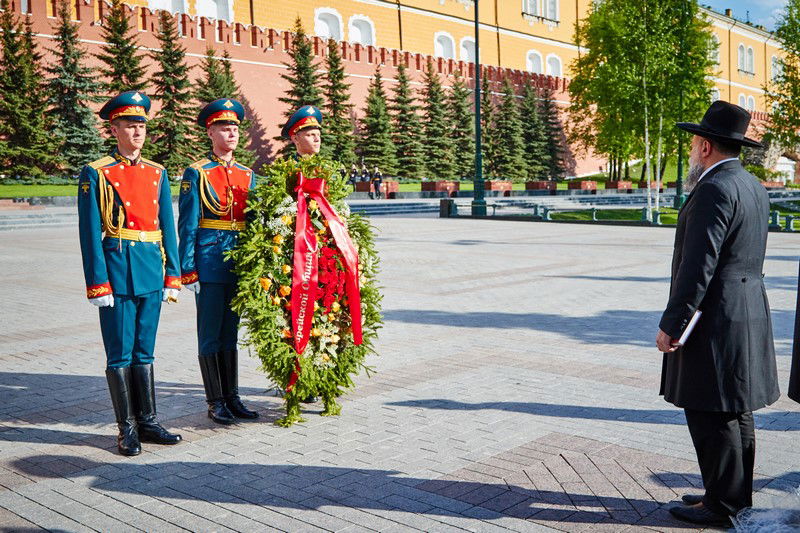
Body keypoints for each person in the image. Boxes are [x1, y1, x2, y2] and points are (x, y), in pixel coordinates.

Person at [655, 101, 779, 528]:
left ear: (706, 146)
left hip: (716, 316)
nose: (693, 149)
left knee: (710, 410)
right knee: (734, 410)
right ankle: (730, 494)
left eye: (695, 142)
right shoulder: (750, 184)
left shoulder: (713, 188)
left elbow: (698, 265)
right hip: (746, 308)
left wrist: (673, 324)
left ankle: (721, 506)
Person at [77, 91, 183, 456]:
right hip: (119, 271)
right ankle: (127, 428)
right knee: (120, 353)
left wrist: (173, 274)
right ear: (114, 129)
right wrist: (98, 282)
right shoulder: (97, 172)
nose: (137, 133)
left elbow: (168, 227)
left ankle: (148, 421)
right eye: (130, 126)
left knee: (145, 350)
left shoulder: (157, 172)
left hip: (151, 268)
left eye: (142, 126)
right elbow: (90, 232)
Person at [178, 99, 259, 425]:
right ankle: (215, 401)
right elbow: (187, 224)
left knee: (231, 332)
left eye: (235, 128)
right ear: (210, 132)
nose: (232, 133)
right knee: (210, 333)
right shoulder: (197, 173)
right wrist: (188, 268)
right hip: (209, 263)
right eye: (224, 128)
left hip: (239, 263)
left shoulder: (247, 175)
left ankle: (232, 397)